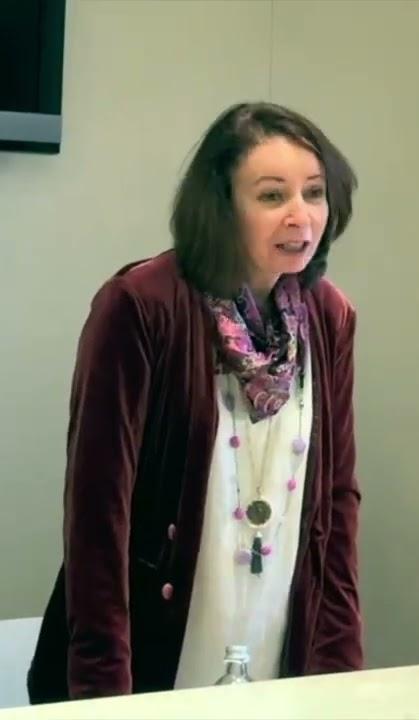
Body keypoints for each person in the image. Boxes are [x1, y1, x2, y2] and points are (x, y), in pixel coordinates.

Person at [27, 102, 363, 702]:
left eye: (314, 193)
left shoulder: (328, 314)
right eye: (271, 195)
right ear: (222, 205)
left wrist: (339, 683)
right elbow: (98, 515)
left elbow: (336, 506)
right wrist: (104, 697)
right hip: (150, 653)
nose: (301, 216)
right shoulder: (141, 304)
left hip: (273, 634)